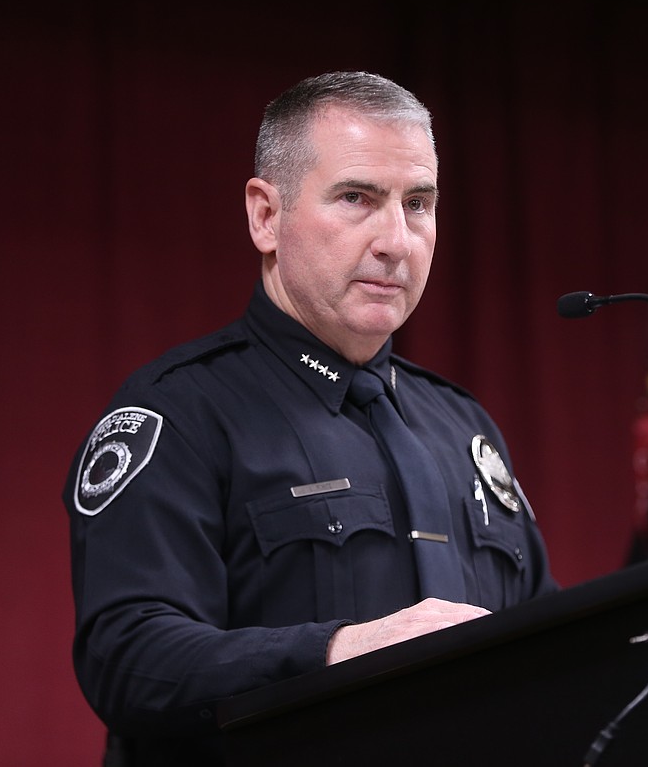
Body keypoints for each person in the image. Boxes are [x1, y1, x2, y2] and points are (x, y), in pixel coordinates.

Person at [63, 71, 557, 765]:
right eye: (358, 198)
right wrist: (338, 651)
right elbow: (130, 658)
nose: (396, 240)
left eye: (419, 204)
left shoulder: (464, 428)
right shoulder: (178, 413)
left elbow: (554, 654)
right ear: (266, 216)